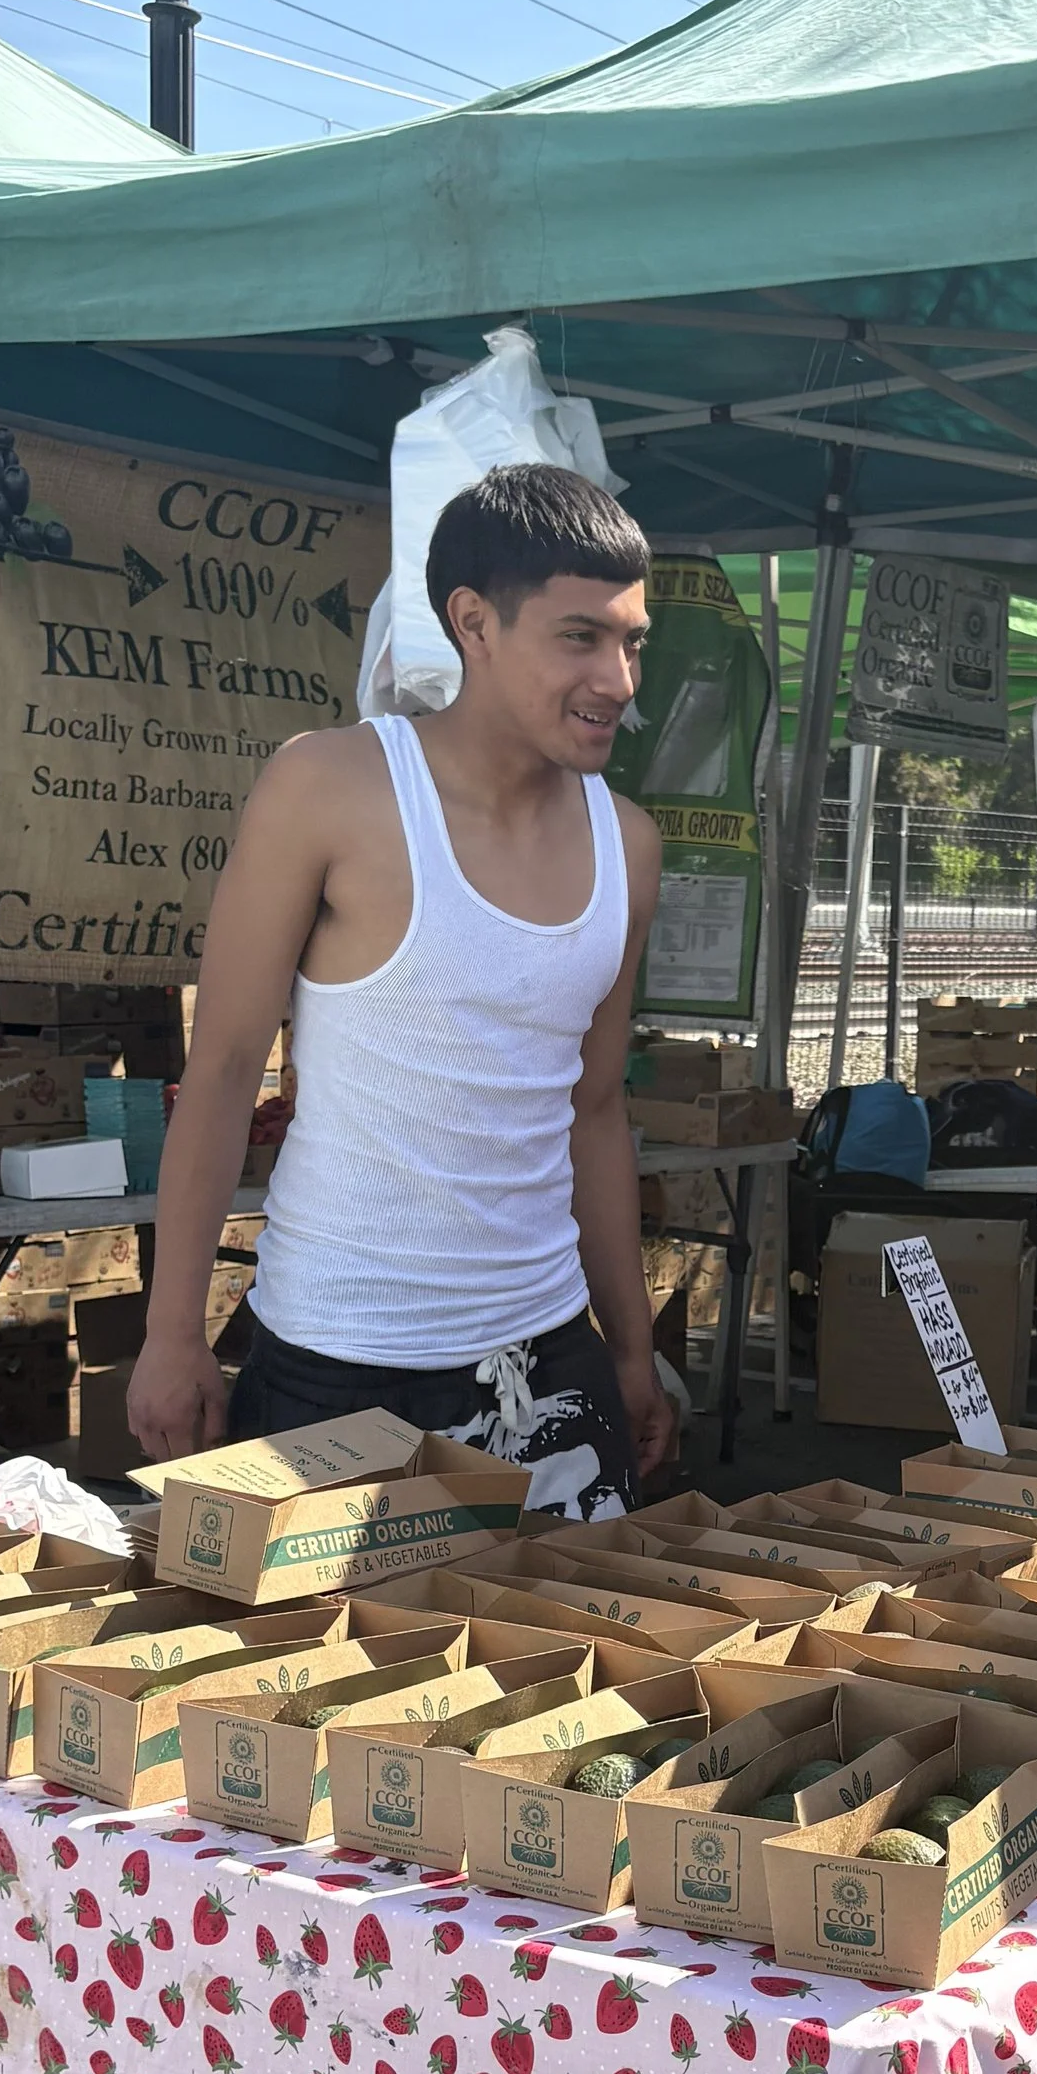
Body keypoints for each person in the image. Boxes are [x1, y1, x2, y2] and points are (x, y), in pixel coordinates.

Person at [128, 466, 675, 1511]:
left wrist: (632, 1351)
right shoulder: (329, 787)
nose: (618, 678)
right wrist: (170, 1335)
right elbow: (226, 1068)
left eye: (631, 640)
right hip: (338, 1356)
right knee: (324, 1675)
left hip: (548, 1357)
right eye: (579, 637)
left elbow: (594, 1110)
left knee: (558, 1667)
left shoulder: (628, 846)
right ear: (473, 622)